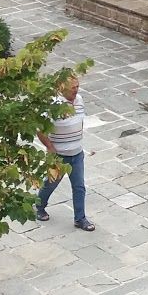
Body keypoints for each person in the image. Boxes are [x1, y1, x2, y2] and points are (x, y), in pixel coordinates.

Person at [35, 75, 94, 231]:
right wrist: (49, 147)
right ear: (62, 88)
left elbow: (80, 121)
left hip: (77, 153)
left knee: (79, 187)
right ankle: (39, 207)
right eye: (73, 87)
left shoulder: (79, 100)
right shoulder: (53, 105)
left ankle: (80, 219)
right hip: (59, 155)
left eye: (77, 86)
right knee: (50, 184)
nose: (76, 90)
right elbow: (40, 128)